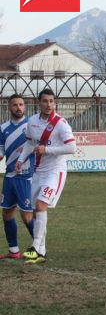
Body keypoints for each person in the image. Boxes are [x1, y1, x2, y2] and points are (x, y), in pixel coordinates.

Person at [16, 89, 76, 264]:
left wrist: (47, 149)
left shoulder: (61, 123)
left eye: (51, 101)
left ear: (54, 103)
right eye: (45, 101)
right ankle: (41, 252)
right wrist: (21, 159)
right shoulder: (33, 121)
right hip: (39, 171)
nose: (48, 104)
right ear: (39, 103)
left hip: (55, 171)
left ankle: (34, 247)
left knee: (42, 204)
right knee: (36, 210)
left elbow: (71, 148)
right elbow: (29, 143)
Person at [0, 95, 35, 260]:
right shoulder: (3, 128)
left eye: (21, 104)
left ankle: (39, 248)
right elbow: (1, 152)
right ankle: (14, 251)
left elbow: (39, 146)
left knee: (26, 215)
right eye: (15, 105)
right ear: (9, 108)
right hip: (9, 177)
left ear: (25, 107)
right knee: (7, 213)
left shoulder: (32, 126)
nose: (18, 107)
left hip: (26, 176)